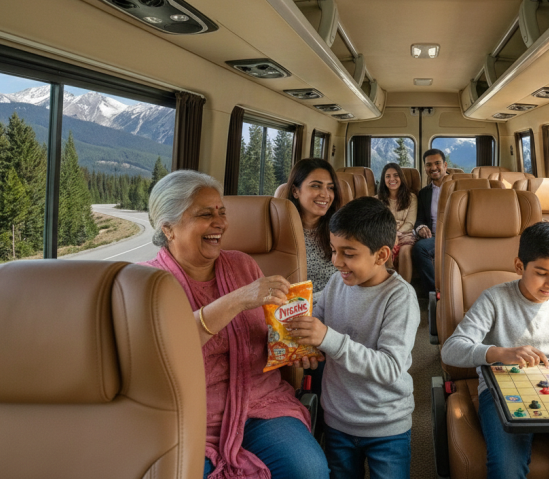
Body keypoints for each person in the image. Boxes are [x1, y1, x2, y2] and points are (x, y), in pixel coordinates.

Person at [140, 170, 328, 479]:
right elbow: (161, 349)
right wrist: (238, 299)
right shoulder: (147, 282)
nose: (221, 223)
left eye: (222, 212)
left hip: (261, 402)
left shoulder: (242, 264)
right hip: (185, 417)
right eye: (206, 214)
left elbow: (264, 333)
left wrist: (293, 349)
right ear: (168, 228)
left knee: (309, 470)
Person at [441, 222, 549, 479]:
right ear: (519, 266)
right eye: (541, 273)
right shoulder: (494, 299)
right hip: (501, 391)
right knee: (506, 468)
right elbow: (450, 350)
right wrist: (498, 353)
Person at [287, 197, 419, 479]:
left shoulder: (400, 298)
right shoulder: (337, 283)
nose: (336, 262)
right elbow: (319, 325)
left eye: (348, 253)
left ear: (381, 255)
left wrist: (327, 339)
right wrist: (305, 344)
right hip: (337, 419)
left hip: (386, 425)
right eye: (334, 251)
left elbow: (390, 368)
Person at [278, 158, 342, 302]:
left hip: (337, 308)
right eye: (316, 186)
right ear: (295, 191)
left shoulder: (341, 231)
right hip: (290, 312)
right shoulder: (279, 233)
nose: (325, 194)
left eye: (330, 187)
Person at [411, 148, 449, 292]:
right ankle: (434, 294)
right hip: (433, 237)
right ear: (425, 168)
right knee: (420, 248)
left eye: (437, 163)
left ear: (445, 165)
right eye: (429, 165)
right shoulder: (424, 193)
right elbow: (419, 219)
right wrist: (420, 228)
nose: (433, 168)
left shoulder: (461, 186)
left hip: (455, 235)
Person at [376, 162, 418, 280]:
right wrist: (391, 233)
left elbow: (410, 223)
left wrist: (396, 233)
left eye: (395, 175)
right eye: (388, 176)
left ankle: (405, 289)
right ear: (383, 180)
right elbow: (378, 224)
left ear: (401, 178)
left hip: (406, 234)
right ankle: (387, 287)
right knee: (385, 250)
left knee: (405, 251)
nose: (392, 179)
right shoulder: (377, 200)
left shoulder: (411, 198)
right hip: (385, 234)